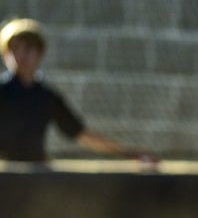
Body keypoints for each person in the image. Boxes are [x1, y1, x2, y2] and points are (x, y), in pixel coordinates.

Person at [0, 18, 151, 163]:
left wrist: (129, 154)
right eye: (14, 48)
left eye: (28, 48)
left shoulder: (46, 96)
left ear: (39, 53)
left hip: (33, 175)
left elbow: (80, 133)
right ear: (6, 54)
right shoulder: (3, 90)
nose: (21, 55)